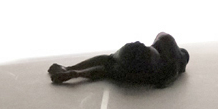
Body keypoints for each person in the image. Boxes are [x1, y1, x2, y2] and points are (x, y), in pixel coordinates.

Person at [48, 33, 190, 86]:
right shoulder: (173, 70)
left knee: (108, 59)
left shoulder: (168, 41)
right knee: (107, 71)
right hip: (145, 73)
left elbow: (160, 35)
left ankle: (69, 68)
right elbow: (164, 82)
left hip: (140, 53)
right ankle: (77, 74)